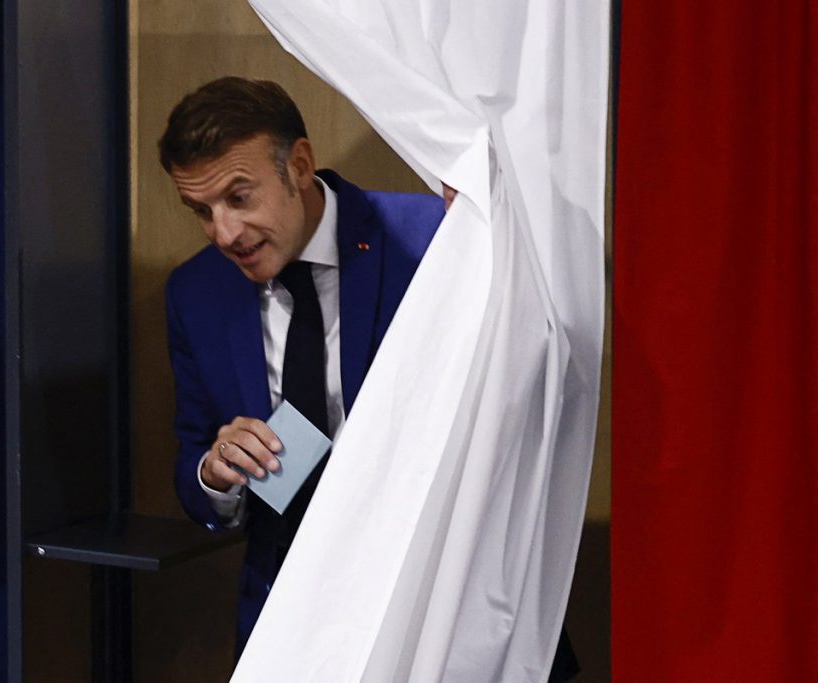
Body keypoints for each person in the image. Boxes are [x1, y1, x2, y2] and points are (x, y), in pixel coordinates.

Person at [160, 76, 577, 681]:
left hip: (447, 601)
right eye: (202, 210)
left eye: (239, 198)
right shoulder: (195, 292)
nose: (224, 233)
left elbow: (538, 384)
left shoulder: (438, 239)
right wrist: (216, 472)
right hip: (297, 618)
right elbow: (193, 454)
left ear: (299, 165)